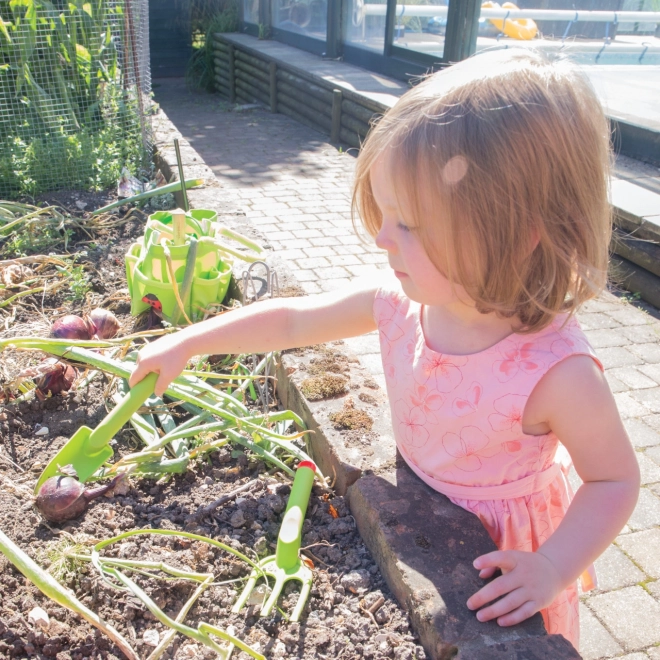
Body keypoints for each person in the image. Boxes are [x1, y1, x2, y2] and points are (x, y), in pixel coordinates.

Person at [130, 48, 640, 648]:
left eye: (410, 225)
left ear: (520, 233)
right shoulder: (404, 305)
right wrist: (190, 342)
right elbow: (294, 321)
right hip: (418, 510)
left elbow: (614, 481)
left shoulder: (557, 372)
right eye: (386, 215)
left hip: (502, 565)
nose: (380, 238)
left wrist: (552, 568)